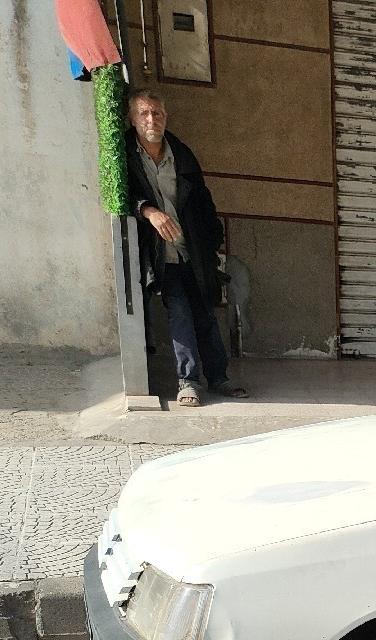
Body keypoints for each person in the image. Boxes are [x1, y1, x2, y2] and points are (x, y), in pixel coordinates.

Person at [125, 88, 248, 406]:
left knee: (206, 313)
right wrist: (148, 211)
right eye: (144, 113)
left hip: (193, 251)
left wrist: (212, 244)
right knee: (179, 313)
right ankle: (188, 382)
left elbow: (204, 203)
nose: (152, 119)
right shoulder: (126, 156)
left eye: (157, 112)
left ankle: (219, 377)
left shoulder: (181, 153)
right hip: (160, 255)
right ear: (132, 118)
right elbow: (123, 196)